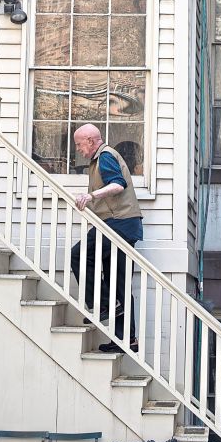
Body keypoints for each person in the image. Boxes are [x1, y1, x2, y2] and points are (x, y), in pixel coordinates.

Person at [69, 123, 143, 354]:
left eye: (79, 144)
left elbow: (118, 184)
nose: (78, 150)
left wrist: (90, 196)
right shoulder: (98, 160)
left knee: (79, 255)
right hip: (123, 223)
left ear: (91, 140)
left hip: (118, 222)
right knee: (117, 282)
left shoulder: (105, 156)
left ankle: (103, 304)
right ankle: (126, 340)